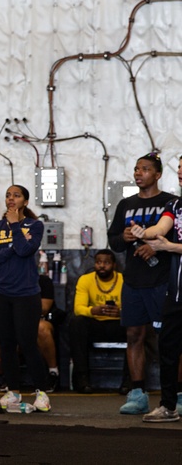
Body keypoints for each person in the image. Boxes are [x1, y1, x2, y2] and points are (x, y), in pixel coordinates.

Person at [108, 152, 176, 414]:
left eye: (145, 169)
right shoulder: (126, 204)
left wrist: (157, 249)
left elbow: (177, 238)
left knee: (169, 339)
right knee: (134, 335)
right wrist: (123, 237)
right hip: (134, 281)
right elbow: (113, 241)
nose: (138, 173)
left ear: (157, 174)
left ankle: (177, 393)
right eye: (136, 169)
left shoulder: (171, 202)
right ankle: (138, 393)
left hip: (163, 280)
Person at [0, 184, 50, 413]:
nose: (11, 198)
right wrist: (10, 247)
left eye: (17, 195)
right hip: (0, 293)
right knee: (7, 344)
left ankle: (42, 392)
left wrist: (15, 226)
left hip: (26, 294)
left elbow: (24, 251)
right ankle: (13, 390)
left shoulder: (35, 225)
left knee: (27, 343)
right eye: (8, 195)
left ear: (25, 202)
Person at [130, 154, 182, 423]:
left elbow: (169, 244)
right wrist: (144, 232)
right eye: (181, 168)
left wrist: (169, 247)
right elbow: (162, 227)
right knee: (168, 346)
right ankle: (169, 406)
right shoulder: (175, 205)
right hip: (176, 291)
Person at [68, 249, 127, 393]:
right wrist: (92, 311)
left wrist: (121, 313)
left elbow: (135, 308)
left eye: (106, 263)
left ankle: (129, 383)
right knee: (77, 323)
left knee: (137, 327)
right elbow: (78, 308)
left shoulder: (124, 280)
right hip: (95, 324)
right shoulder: (85, 279)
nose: (102, 266)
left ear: (114, 265)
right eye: (99, 262)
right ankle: (82, 381)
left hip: (118, 324)